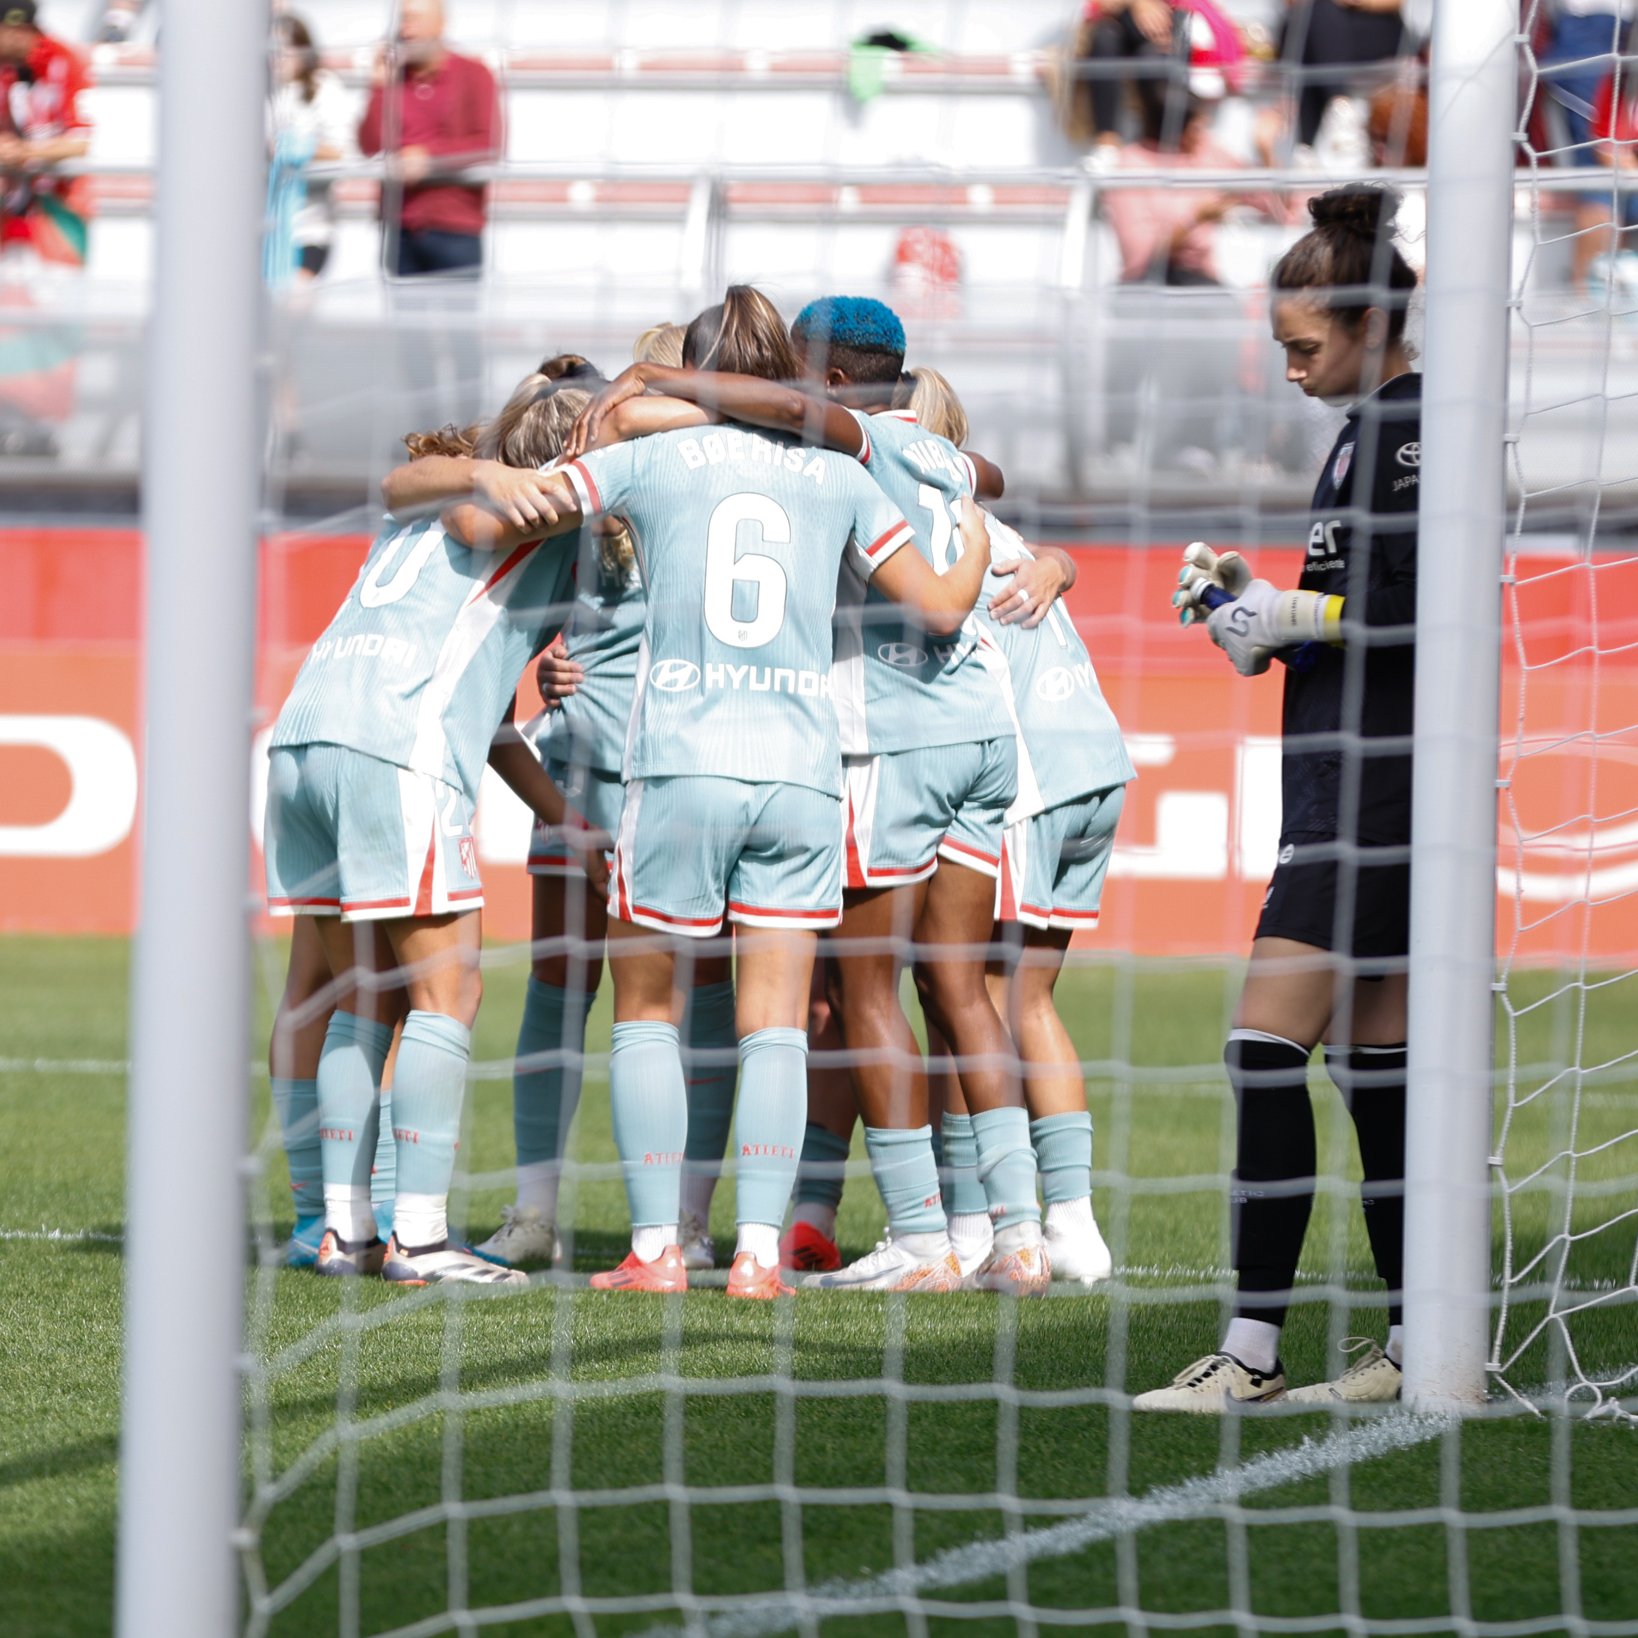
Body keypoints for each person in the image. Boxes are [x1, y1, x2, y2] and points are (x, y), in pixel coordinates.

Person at [443, 287, 997, 1301]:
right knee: (776, 1017)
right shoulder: (838, 471)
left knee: (647, 1007)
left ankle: (658, 1247)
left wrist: (464, 482)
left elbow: (496, 512)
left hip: (680, 760)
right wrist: (991, 550)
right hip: (801, 770)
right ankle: (755, 1252)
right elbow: (938, 603)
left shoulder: (647, 461)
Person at [572, 298, 1076, 1295]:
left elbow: (588, 454)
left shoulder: (815, 444)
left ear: (827, 384)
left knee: (675, 1006)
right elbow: (959, 560)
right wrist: (1003, 553)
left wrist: (645, 386)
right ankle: (905, 1237)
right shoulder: (880, 466)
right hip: (853, 756)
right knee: (891, 1001)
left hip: (766, 747)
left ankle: (672, 1247)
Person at [1136, 184, 1421, 1409]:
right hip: (1361, 771)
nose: (1293, 372)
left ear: (1367, 324)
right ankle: (1419, 1339)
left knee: (1262, 1049)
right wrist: (1258, 617)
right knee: (1377, 1069)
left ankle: (1251, 1353)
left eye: (1307, 348)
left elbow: (1423, 610)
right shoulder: (1371, 426)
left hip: (1375, 785)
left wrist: (1301, 615)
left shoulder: (1411, 428)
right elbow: (1353, 616)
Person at [264, 373, 594, 1287]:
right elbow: (473, 523)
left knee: (359, 992)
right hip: (393, 746)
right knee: (448, 991)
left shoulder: (436, 498)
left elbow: (486, 715)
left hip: (309, 732)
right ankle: (419, 1237)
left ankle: (340, 1228)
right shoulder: (529, 512)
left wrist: (566, 822)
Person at [358, 0, 502, 425]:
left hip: (455, 227)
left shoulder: (474, 74)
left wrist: (430, 159)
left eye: (415, 20)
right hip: (401, 225)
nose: (406, 30)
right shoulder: (394, 81)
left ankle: (466, 432)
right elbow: (370, 143)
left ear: (440, 23)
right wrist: (378, 86)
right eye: (403, 21)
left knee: (460, 337)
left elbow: (488, 141)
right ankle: (426, 434)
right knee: (411, 341)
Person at [0, 0, 91, 457]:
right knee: (9, 320)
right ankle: (11, 420)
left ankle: (44, 426)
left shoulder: (65, 60)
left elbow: (86, 136)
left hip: (55, 216)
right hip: (9, 218)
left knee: (52, 317)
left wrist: (29, 153)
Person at [267, 14, 354, 288]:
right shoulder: (258, 92)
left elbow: (341, 151)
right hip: (264, 229)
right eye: (272, 50)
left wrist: (295, 147)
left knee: (293, 305)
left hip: (308, 227)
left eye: (286, 50)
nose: (278, 58)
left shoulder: (323, 88)